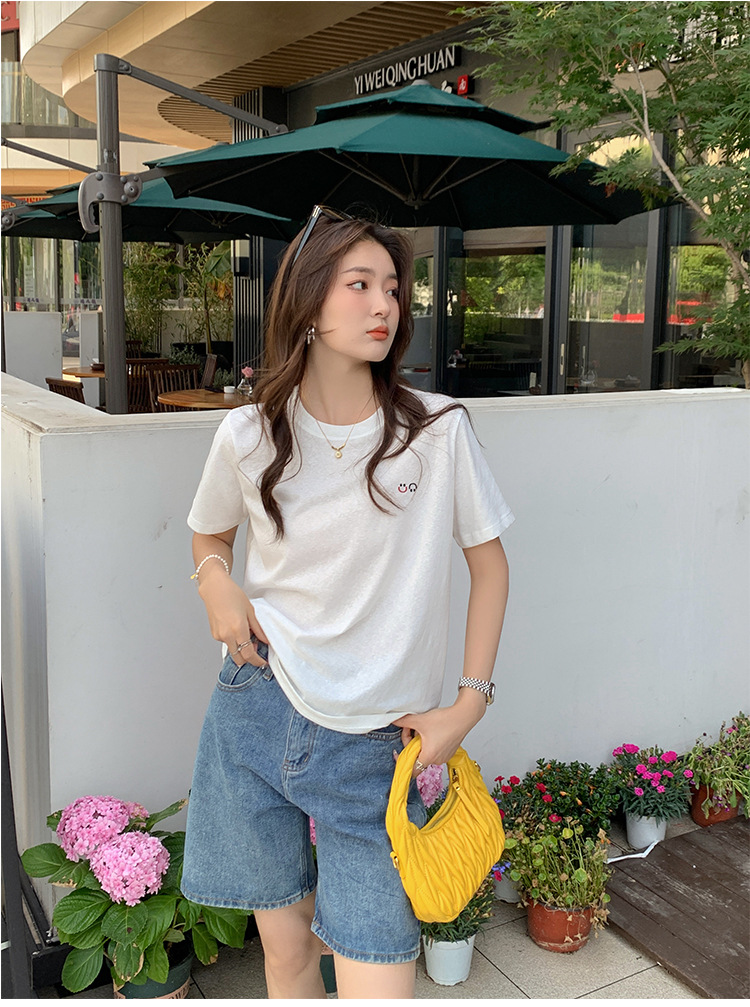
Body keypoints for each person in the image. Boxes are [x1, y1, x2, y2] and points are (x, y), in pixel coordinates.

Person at [184, 206, 514, 1000]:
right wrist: (216, 583)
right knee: (285, 956)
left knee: (379, 977)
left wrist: (469, 703)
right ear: (307, 303)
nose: (383, 305)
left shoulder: (436, 430)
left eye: (392, 288)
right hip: (257, 707)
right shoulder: (249, 432)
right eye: (359, 285)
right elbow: (208, 534)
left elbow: (491, 567)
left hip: (377, 744)